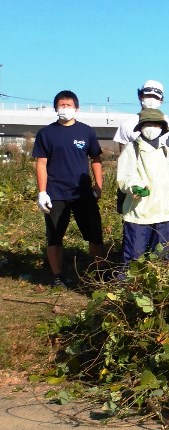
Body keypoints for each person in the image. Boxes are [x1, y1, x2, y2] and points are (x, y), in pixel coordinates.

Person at [32, 90, 107, 288]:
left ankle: (99, 273)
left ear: (77, 108)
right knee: (54, 236)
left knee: (95, 234)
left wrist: (98, 185)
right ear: (55, 108)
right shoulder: (46, 133)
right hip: (55, 194)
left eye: (68, 105)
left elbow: (96, 159)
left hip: (82, 193)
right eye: (61, 105)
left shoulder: (87, 132)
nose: (65, 108)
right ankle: (57, 276)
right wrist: (42, 192)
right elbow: (41, 163)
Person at [116, 109, 169, 274]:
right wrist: (134, 187)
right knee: (134, 259)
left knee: (161, 258)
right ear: (141, 126)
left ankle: (157, 296)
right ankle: (127, 294)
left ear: (161, 128)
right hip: (139, 212)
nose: (152, 127)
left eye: (156, 124)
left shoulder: (165, 150)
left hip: (164, 214)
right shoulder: (132, 148)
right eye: (148, 124)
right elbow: (124, 177)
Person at [112, 80, 169, 215]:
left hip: (160, 193)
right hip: (134, 190)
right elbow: (124, 161)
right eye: (148, 95)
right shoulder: (127, 125)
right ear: (140, 96)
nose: (151, 100)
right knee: (131, 225)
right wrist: (134, 186)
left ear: (162, 99)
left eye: (156, 96)